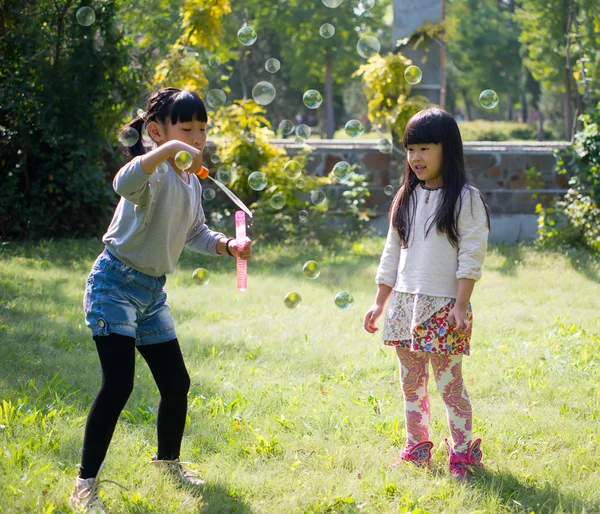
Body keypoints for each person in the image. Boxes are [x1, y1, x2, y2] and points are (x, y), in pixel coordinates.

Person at [70, 88, 252, 512]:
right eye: (185, 129)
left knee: (176, 383)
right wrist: (168, 150)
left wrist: (228, 245)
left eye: (202, 129)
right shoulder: (151, 174)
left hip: (151, 294)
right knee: (119, 384)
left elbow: (195, 233)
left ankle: (167, 462)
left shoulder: (191, 182)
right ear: (156, 131)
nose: (196, 138)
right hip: (114, 284)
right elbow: (122, 181)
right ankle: (85, 484)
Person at [363, 107, 490, 481]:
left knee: (450, 385)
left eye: (425, 148)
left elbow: (471, 253)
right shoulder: (406, 196)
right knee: (410, 383)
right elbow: (391, 252)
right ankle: (417, 447)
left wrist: (462, 304)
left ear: (446, 149)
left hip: (444, 305)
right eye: (410, 149)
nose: (416, 157)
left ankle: (463, 452)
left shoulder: (465, 198)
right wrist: (379, 301)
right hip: (404, 302)